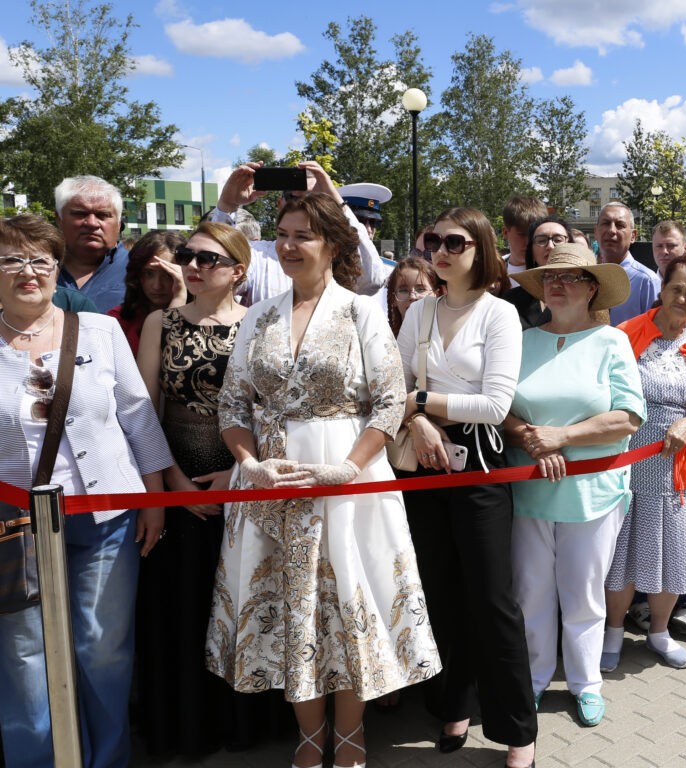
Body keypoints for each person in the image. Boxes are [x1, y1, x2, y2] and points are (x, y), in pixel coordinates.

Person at [206, 193, 439, 768]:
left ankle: (350, 735)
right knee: (292, 608)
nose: (287, 245)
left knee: (344, 607)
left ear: (332, 244)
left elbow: (389, 403)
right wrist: (248, 461)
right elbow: (232, 403)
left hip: (347, 480)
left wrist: (349, 466)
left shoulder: (362, 311)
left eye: (302, 234)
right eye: (282, 234)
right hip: (269, 482)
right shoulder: (258, 314)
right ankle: (310, 737)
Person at [0, 213, 174, 768]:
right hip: (13, 523)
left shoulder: (97, 330)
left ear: (56, 268)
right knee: (25, 655)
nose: (28, 271)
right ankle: (37, 760)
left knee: (101, 649)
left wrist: (152, 498)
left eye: (40, 260)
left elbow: (138, 416)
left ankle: (107, 761)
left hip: (107, 516)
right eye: (11, 259)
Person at [396, 207, 537, 768]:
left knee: (492, 599)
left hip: (480, 468)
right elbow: (394, 386)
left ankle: (517, 729)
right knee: (438, 591)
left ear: (481, 249)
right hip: (421, 463)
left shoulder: (498, 315)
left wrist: (424, 404)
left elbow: (495, 405)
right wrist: (418, 420)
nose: (442, 250)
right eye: (435, 240)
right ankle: (453, 704)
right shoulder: (420, 311)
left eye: (456, 241)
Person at [132, 222, 276, 756]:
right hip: (176, 472)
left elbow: (275, 411)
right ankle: (186, 728)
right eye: (189, 256)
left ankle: (242, 726)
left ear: (239, 271)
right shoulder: (160, 323)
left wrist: (242, 471)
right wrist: (172, 484)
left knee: (242, 600)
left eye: (208, 259)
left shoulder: (263, 323)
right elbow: (145, 413)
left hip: (244, 477)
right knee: (182, 604)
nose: (192, 266)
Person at [504, 243, 643, 725]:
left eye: (570, 277)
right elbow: (501, 407)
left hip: (592, 493)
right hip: (528, 490)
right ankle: (535, 679)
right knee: (530, 591)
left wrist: (563, 436)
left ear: (592, 289)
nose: (557, 285)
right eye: (549, 278)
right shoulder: (522, 340)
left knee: (583, 593)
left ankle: (586, 682)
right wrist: (529, 436)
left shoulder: (612, 342)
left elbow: (628, 416)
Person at [605, 253, 686, 673]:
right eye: (676, 288)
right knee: (623, 551)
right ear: (661, 288)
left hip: (680, 466)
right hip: (630, 460)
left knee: (671, 553)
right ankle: (614, 630)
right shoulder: (627, 334)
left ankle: (660, 631)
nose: (682, 298)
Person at [210, 161, 391, 305]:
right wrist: (227, 205)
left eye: (315, 198)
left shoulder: (335, 255)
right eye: (295, 199)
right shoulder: (258, 255)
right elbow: (213, 275)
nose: (304, 207)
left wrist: (338, 204)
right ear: (280, 205)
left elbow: (372, 279)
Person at [53, 174, 131, 312]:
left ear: (118, 224)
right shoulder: (35, 269)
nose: (92, 223)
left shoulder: (140, 269)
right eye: (80, 214)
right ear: (59, 219)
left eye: (103, 215)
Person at [109, 229, 188, 351]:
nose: (157, 285)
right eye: (148, 273)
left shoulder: (206, 319)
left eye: (168, 275)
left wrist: (180, 297)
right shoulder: (116, 320)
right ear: (136, 275)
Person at [502, 215, 572, 329]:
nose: (550, 246)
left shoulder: (586, 296)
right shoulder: (510, 302)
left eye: (558, 240)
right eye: (541, 240)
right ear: (532, 252)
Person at [596, 202, 659, 325]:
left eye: (620, 225)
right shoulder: (588, 278)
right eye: (606, 223)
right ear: (596, 231)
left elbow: (656, 332)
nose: (611, 230)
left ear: (633, 236)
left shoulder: (647, 281)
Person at [384, 255, 439, 336]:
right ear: (393, 299)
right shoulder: (385, 339)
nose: (412, 297)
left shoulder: (446, 336)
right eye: (403, 290)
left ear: (436, 294)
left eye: (421, 289)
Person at [501, 195, 549, 285]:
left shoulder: (553, 271)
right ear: (505, 232)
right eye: (522, 235)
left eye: (534, 235)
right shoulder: (492, 270)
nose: (528, 242)